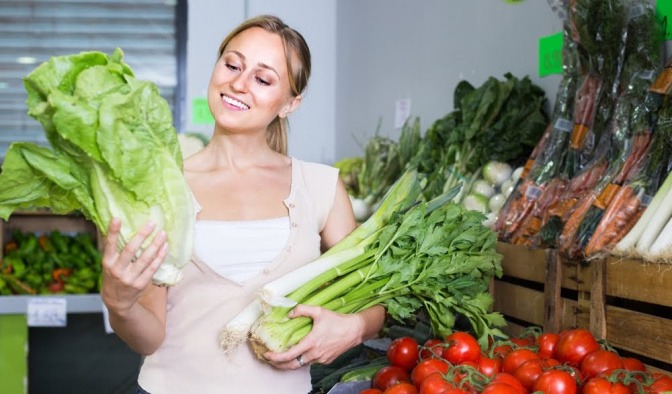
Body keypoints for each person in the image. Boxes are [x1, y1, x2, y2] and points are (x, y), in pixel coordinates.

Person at [100, 14, 386, 394]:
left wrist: (354, 327)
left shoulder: (320, 188)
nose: (238, 83)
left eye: (263, 78)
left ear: (290, 103)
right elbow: (148, 338)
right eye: (232, 65)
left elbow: (376, 300)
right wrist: (119, 304)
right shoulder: (162, 189)